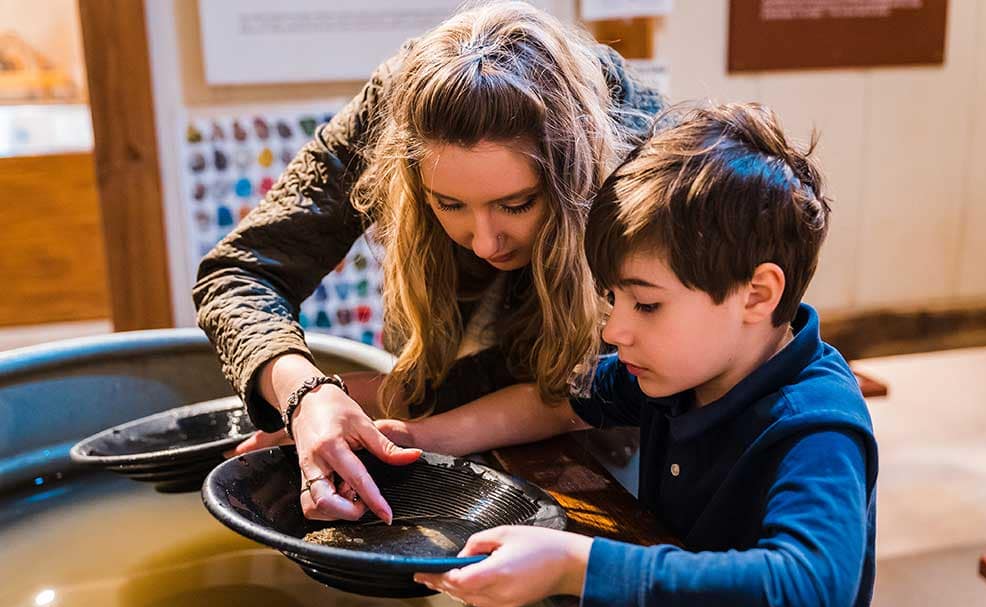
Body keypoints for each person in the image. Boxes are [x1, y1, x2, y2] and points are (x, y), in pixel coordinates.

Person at [375, 103, 879, 607]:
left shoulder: (815, 426)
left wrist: (576, 565)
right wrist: (419, 438)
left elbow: (805, 603)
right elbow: (559, 401)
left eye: (646, 303)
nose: (615, 329)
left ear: (757, 295)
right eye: (614, 299)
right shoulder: (685, 372)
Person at [193, 1, 665, 524]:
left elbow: (576, 387)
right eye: (449, 205)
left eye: (516, 205)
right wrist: (305, 394)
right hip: (453, 401)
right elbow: (239, 271)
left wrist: (378, 400)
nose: (485, 242)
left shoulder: (638, 151)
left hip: (591, 427)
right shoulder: (398, 110)